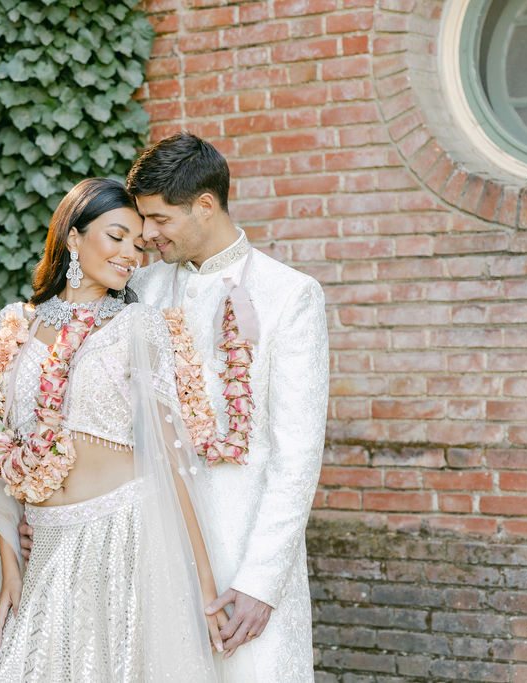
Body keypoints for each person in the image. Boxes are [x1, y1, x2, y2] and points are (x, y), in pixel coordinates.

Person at [0, 178, 222, 682]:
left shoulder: (139, 326)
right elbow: (0, 451)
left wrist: (203, 586)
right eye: (116, 237)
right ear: (73, 237)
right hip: (47, 546)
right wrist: (10, 564)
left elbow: (172, 459)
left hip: (125, 534)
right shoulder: (15, 326)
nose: (130, 255)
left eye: (139, 245)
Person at [127, 132, 329, 682]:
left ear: (206, 205)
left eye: (159, 219)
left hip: (244, 551)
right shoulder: (138, 289)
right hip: (153, 549)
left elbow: (297, 454)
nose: (147, 235)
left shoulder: (289, 295)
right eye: (143, 220)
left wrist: (262, 581)